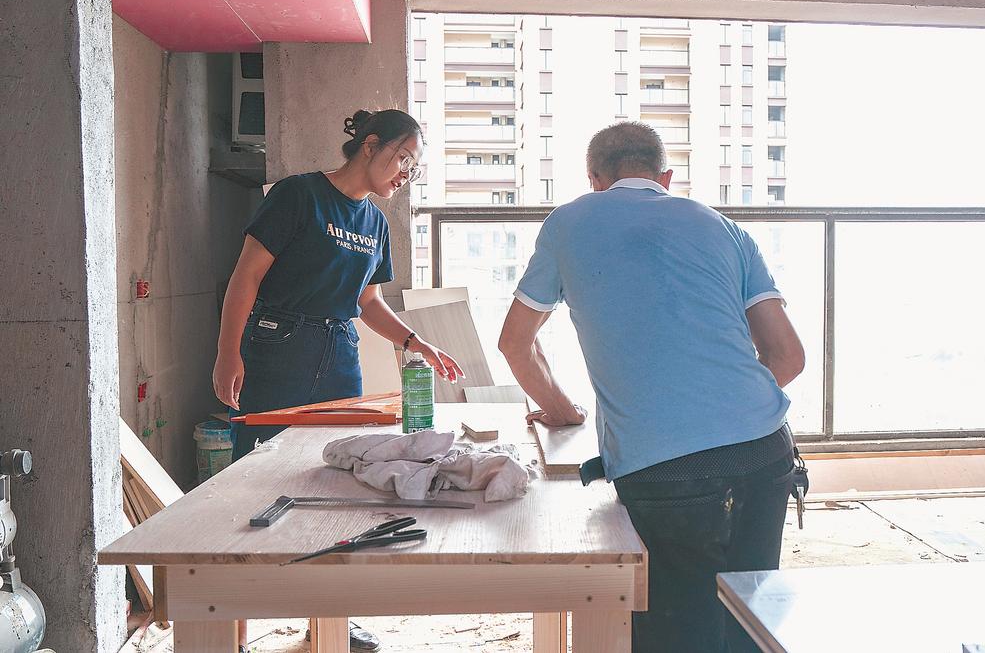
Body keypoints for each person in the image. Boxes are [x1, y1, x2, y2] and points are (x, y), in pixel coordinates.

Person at [498, 121, 805, 652]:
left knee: (672, 629)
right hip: (764, 453)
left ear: (595, 179)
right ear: (665, 178)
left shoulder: (567, 222)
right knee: (751, 622)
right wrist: (721, 409)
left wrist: (564, 413)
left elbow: (515, 343)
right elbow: (789, 357)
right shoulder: (725, 227)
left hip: (663, 473)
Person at [213, 108, 464, 653]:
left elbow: (367, 302)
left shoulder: (375, 223)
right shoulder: (299, 194)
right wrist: (228, 353)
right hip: (277, 344)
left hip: (340, 351)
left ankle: (330, 621)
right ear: (369, 145)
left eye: (414, 167)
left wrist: (416, 342)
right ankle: (234, 620)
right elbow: (246, 276)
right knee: (256, 477)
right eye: (403, 158)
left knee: (337, 482)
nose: (406, 173)